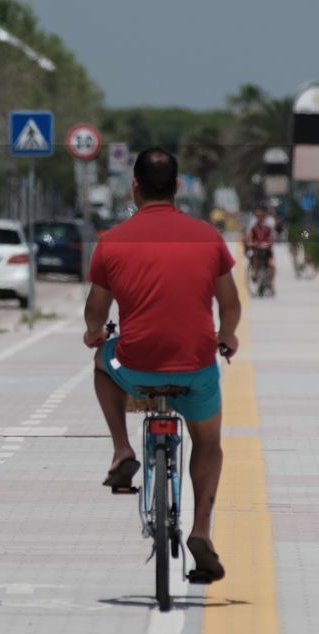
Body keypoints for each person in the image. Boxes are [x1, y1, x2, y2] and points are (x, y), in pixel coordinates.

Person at [81, 148, 241, 582]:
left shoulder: (111, 242)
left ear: (134, 187)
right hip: (196, 365)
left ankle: (121, 449)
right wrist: (227, 336)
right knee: (208, 442)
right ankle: (202, 530)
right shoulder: (208, 237)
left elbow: (95, 313)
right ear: (177, 188)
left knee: (101, 362)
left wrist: (96, 334)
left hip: (135, 366)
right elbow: (230, 306)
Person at [245, 204, 276, 290]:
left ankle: (270, 283)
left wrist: (268, 244)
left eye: (261, 215)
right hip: (256, 248)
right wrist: (250, 243)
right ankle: (254, 274)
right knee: (254, 257)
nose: (259, 216)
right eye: (257, 215)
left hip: (267, 248)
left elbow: (272, 237)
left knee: (272, 265)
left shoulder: (269, 223)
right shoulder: (253, 224)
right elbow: (248, 235)